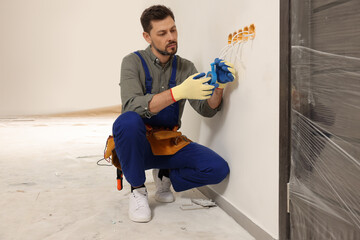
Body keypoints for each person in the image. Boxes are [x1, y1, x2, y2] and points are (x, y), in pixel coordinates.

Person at [112, 5, 235, 223]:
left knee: (218, 169)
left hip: (168, 143)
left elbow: (207, 109)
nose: (171, 37)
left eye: (173, 30)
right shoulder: (131, 62)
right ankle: (138, 190)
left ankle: (166, 174)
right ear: (147, 37)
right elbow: (131, 106)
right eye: (162, 33)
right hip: (137, 145)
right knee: (127, 121)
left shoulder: (186, 68)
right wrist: (177, 92)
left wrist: (219, 86)